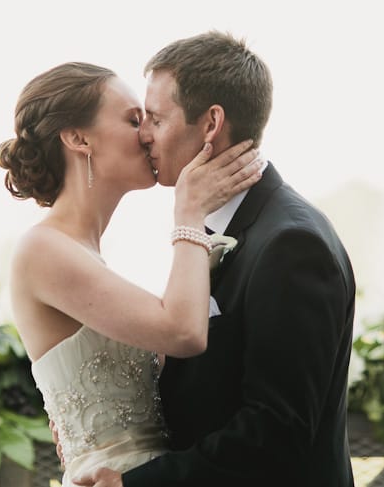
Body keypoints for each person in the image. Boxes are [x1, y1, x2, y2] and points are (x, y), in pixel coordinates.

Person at [75, 32, 356, 486]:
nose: (144, 135)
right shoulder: (218, 227)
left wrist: (136, 484)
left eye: (157, 119)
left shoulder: (292, 245)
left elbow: (275, 433)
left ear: (210, 125)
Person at [0, 61, 263, 487]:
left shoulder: (88, 256)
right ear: (78, 138)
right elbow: (183, 333)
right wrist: (189, 213)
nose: (147, 134)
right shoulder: (42, 250)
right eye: (133, 119)